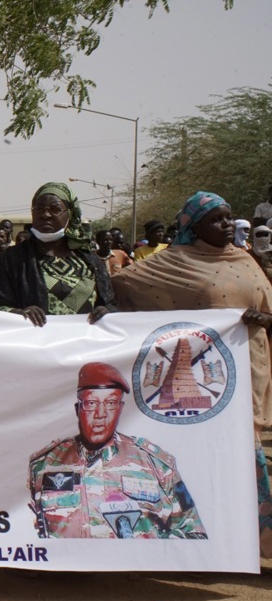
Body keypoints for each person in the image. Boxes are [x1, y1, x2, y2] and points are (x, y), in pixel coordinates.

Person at [111, 191, 272, 557]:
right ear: (195, 227)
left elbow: (269, 309)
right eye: (216, 219)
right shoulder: (172, 263)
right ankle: (204, 543)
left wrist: (263, 319)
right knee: (203, 458)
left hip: (247, 370)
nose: (226, 225)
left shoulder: (245, 260)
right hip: (196, 381)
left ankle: (252, 542)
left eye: (229, 217)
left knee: (245, 456)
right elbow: (122, 284)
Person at [28, 363, 207, 539]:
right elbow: (24, 535)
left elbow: (194, 535)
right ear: (78, 409)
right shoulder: (43, 465)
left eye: (111, 403)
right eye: (91, 403)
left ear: (120, 409)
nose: (100, 413)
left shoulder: (157, 466)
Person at [0, 182, 116, 327]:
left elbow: (111, 304)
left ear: (70, 214)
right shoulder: (13, 259)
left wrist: (107, 312)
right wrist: (18, 313)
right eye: (39, 208)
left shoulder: (91, 261)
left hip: (83, 340)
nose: (45, 215)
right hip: (34, 340)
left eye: (55, 209)